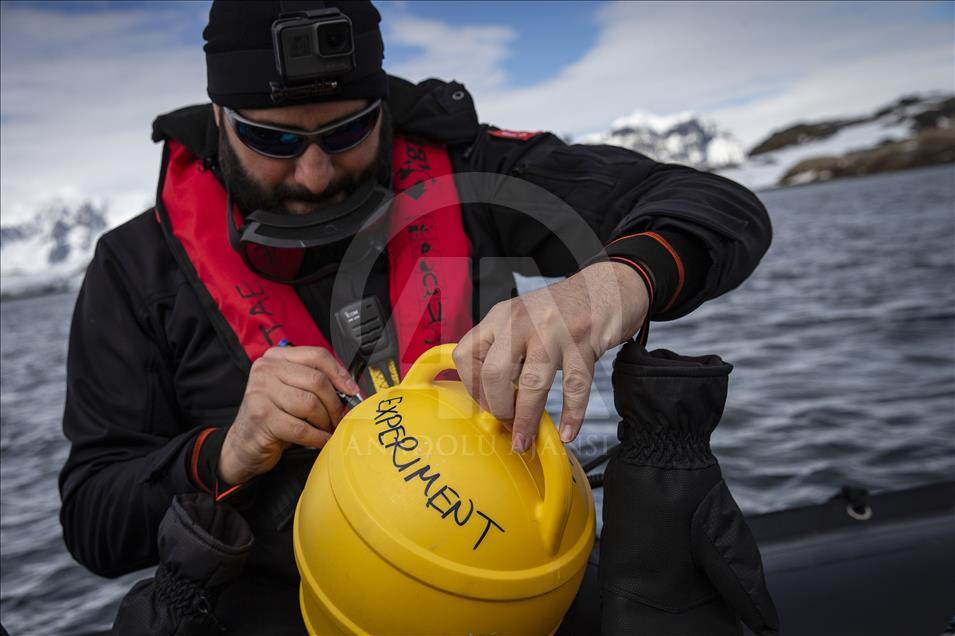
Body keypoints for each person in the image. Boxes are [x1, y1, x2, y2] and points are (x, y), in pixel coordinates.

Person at [59, 1, 772, 633]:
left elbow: (716, 205)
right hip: (289, 604)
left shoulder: (466, 169)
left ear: (383, 108)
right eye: (275, 141)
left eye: (345, 133)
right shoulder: (135, 268)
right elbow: (94, 521)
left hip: (499, 594)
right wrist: (222, 453)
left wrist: (610, 284)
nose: (312, 173)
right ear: (219, 118)